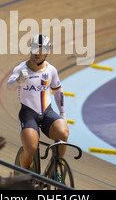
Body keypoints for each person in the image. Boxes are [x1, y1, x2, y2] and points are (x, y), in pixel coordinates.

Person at [7, 35, 69, 170]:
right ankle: (23, 173)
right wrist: (19, 80)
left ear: (47, 51)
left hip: (47, 112)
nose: (37, 53)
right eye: (35, 48)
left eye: (41, 50)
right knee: (30, 148)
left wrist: (63, 114)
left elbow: (58, 92)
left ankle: (55, 168)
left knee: (63, 133)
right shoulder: (21, 69)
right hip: (28, 114)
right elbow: (9, 87)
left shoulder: (51, 70)